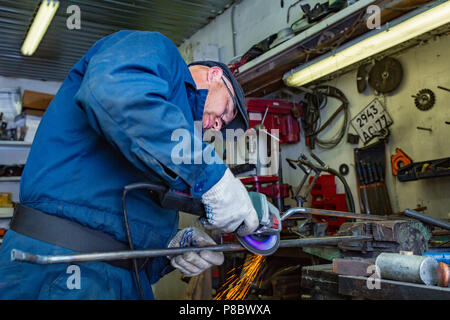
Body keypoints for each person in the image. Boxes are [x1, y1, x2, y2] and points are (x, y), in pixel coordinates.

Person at [0, 30, 259, 299]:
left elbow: (123, 213)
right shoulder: (157, 50)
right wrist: (212, 176)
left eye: (223, 126)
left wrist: (172, 249)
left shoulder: (170, 133)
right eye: (227, 110)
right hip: (67, 268)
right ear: (215, 75)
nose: (218, 125)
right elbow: (114, 92)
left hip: (112, 275)